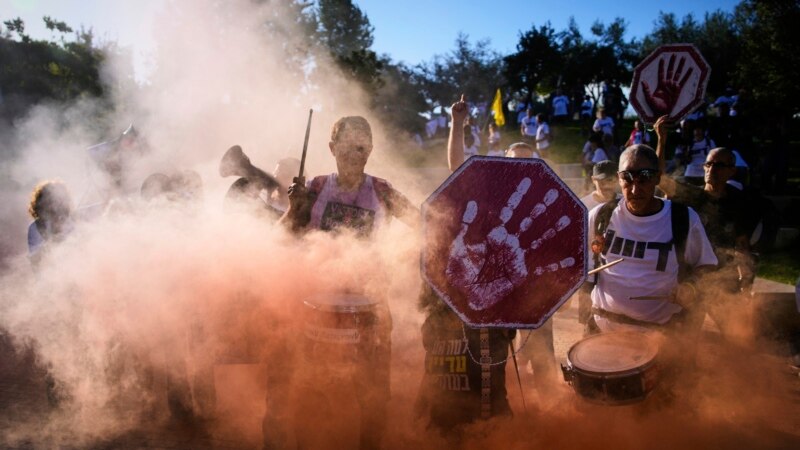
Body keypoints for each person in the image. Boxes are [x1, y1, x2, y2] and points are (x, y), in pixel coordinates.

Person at [279, 115, 417, 449]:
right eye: (347, 147)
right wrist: (291, 208)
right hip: (317, 307)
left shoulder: (382, 191)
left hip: (370, 306)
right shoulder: (314, 189)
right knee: (311, 387)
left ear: (370, 150)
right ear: (331, 148)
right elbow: (282, 237)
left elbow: (425, 224)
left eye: (362, 146)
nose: (355, 154)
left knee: (373, 392)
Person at [587, 144, 717, 335]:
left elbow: (706, 265)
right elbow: (580, 263)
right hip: (604, 329)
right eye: (627, 178)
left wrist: (690, 288)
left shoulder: (682, 219)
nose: (634, 189)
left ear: (658, 177)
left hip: (660, 336)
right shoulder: (601, 215)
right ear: (618, 178)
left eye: (644, 178)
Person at [654, 116, 759, 341]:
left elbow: (742, 246)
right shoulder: (692, 196)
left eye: (719, 165)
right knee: (686, 338)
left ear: (732, 170)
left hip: (724, 281)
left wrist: (746, 285)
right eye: (708, 164)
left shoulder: (738, 203)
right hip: (694, 280)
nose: (711, 169)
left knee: (736, 337)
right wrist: (662, 139)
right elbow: (658, 179)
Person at [27, 180, 73, 267]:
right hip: (48, 276)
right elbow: (34, 261)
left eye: (59, 200)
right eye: (50, 201)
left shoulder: (74, 221)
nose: (54, 206)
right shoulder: (35, 227)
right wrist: (51, 242)